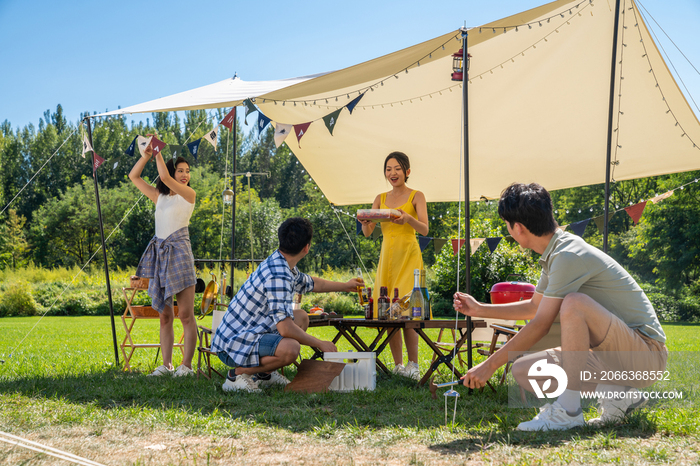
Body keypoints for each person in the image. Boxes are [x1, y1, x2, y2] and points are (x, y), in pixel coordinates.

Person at [453, 183, 667, 431]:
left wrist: (489, 365)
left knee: (574, 303)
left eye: (507, 224)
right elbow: (535, 308)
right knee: (524, 370)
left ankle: (569, 411)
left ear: (518, 228)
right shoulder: (555, 252)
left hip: (645, 356)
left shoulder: (567, 255)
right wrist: (480, 309)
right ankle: (620, 394)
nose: (508, 230)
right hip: (614, 356)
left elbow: (541, 325)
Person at [211, 217, 363, 392]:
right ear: (306, 248)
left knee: (301, 316)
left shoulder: (282, 263)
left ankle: (264, 374)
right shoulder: (279, 275)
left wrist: (346, 286)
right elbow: (285, 329)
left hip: (248, 333)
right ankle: (236, 375)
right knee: (291, 348)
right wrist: (320, 343)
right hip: (233, 345)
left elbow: (313, 283)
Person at [129, 138, 197, 377]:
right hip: (161, 256)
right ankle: (167, 366)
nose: (185, 174)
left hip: (179, 254)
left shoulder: (188, 195)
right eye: (180, 170)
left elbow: (165, 179)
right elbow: (134, 177)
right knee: (165, 315)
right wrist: (147, 154)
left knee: (186, 315)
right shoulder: (160, 197)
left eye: (187, 171)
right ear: (171, 170)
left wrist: (157, 150)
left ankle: (186, 366)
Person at [360, 152, 429, 379]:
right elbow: (368, 232)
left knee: (407, 310)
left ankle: (413, 365)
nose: (393, 173)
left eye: (397, 168)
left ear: (407, 171)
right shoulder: (380, 198)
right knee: (388, 309)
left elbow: (425, 230)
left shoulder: (417, 196)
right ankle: (398, 366)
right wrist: (365, 222)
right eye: (389, 169)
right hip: (387, 258)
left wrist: (407, 219)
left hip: (409, 256)